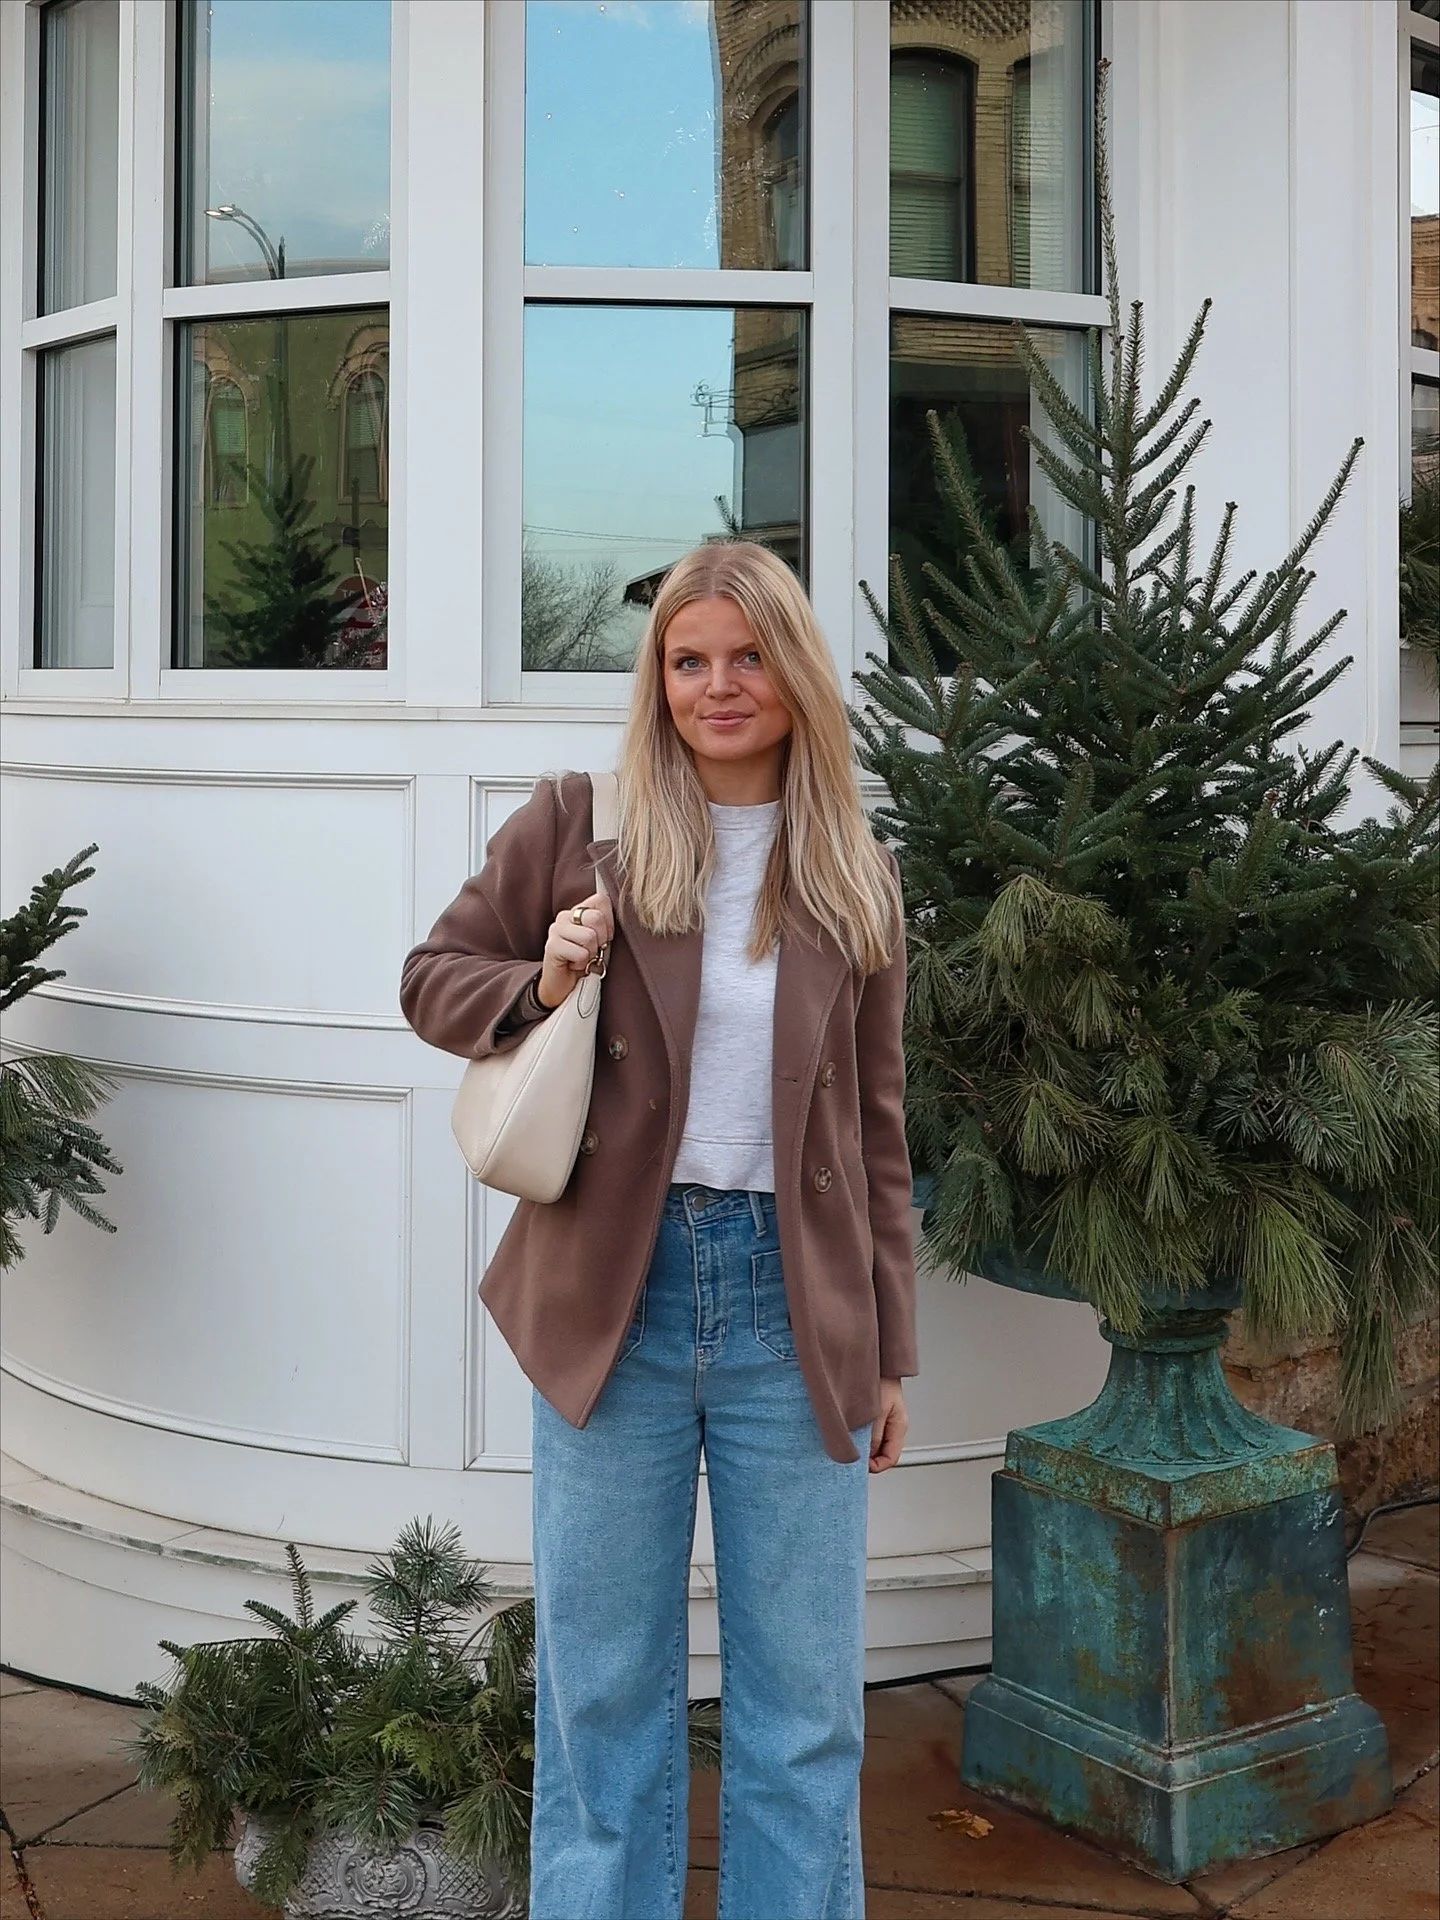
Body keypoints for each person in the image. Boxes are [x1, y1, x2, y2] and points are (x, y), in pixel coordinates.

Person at [400, 541, 916, 1920]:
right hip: (611, 1308)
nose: (717, 687)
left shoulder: (855, 873)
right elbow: (431, 981)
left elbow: (876, 1133)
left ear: (794, 673)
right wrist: (546, 970)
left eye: (747, 658)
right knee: (605, 1694)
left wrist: (894, 1355)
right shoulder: (585, 822)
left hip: (791, 1314)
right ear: (659, 676)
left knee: (804, 1709)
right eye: (689, 661)